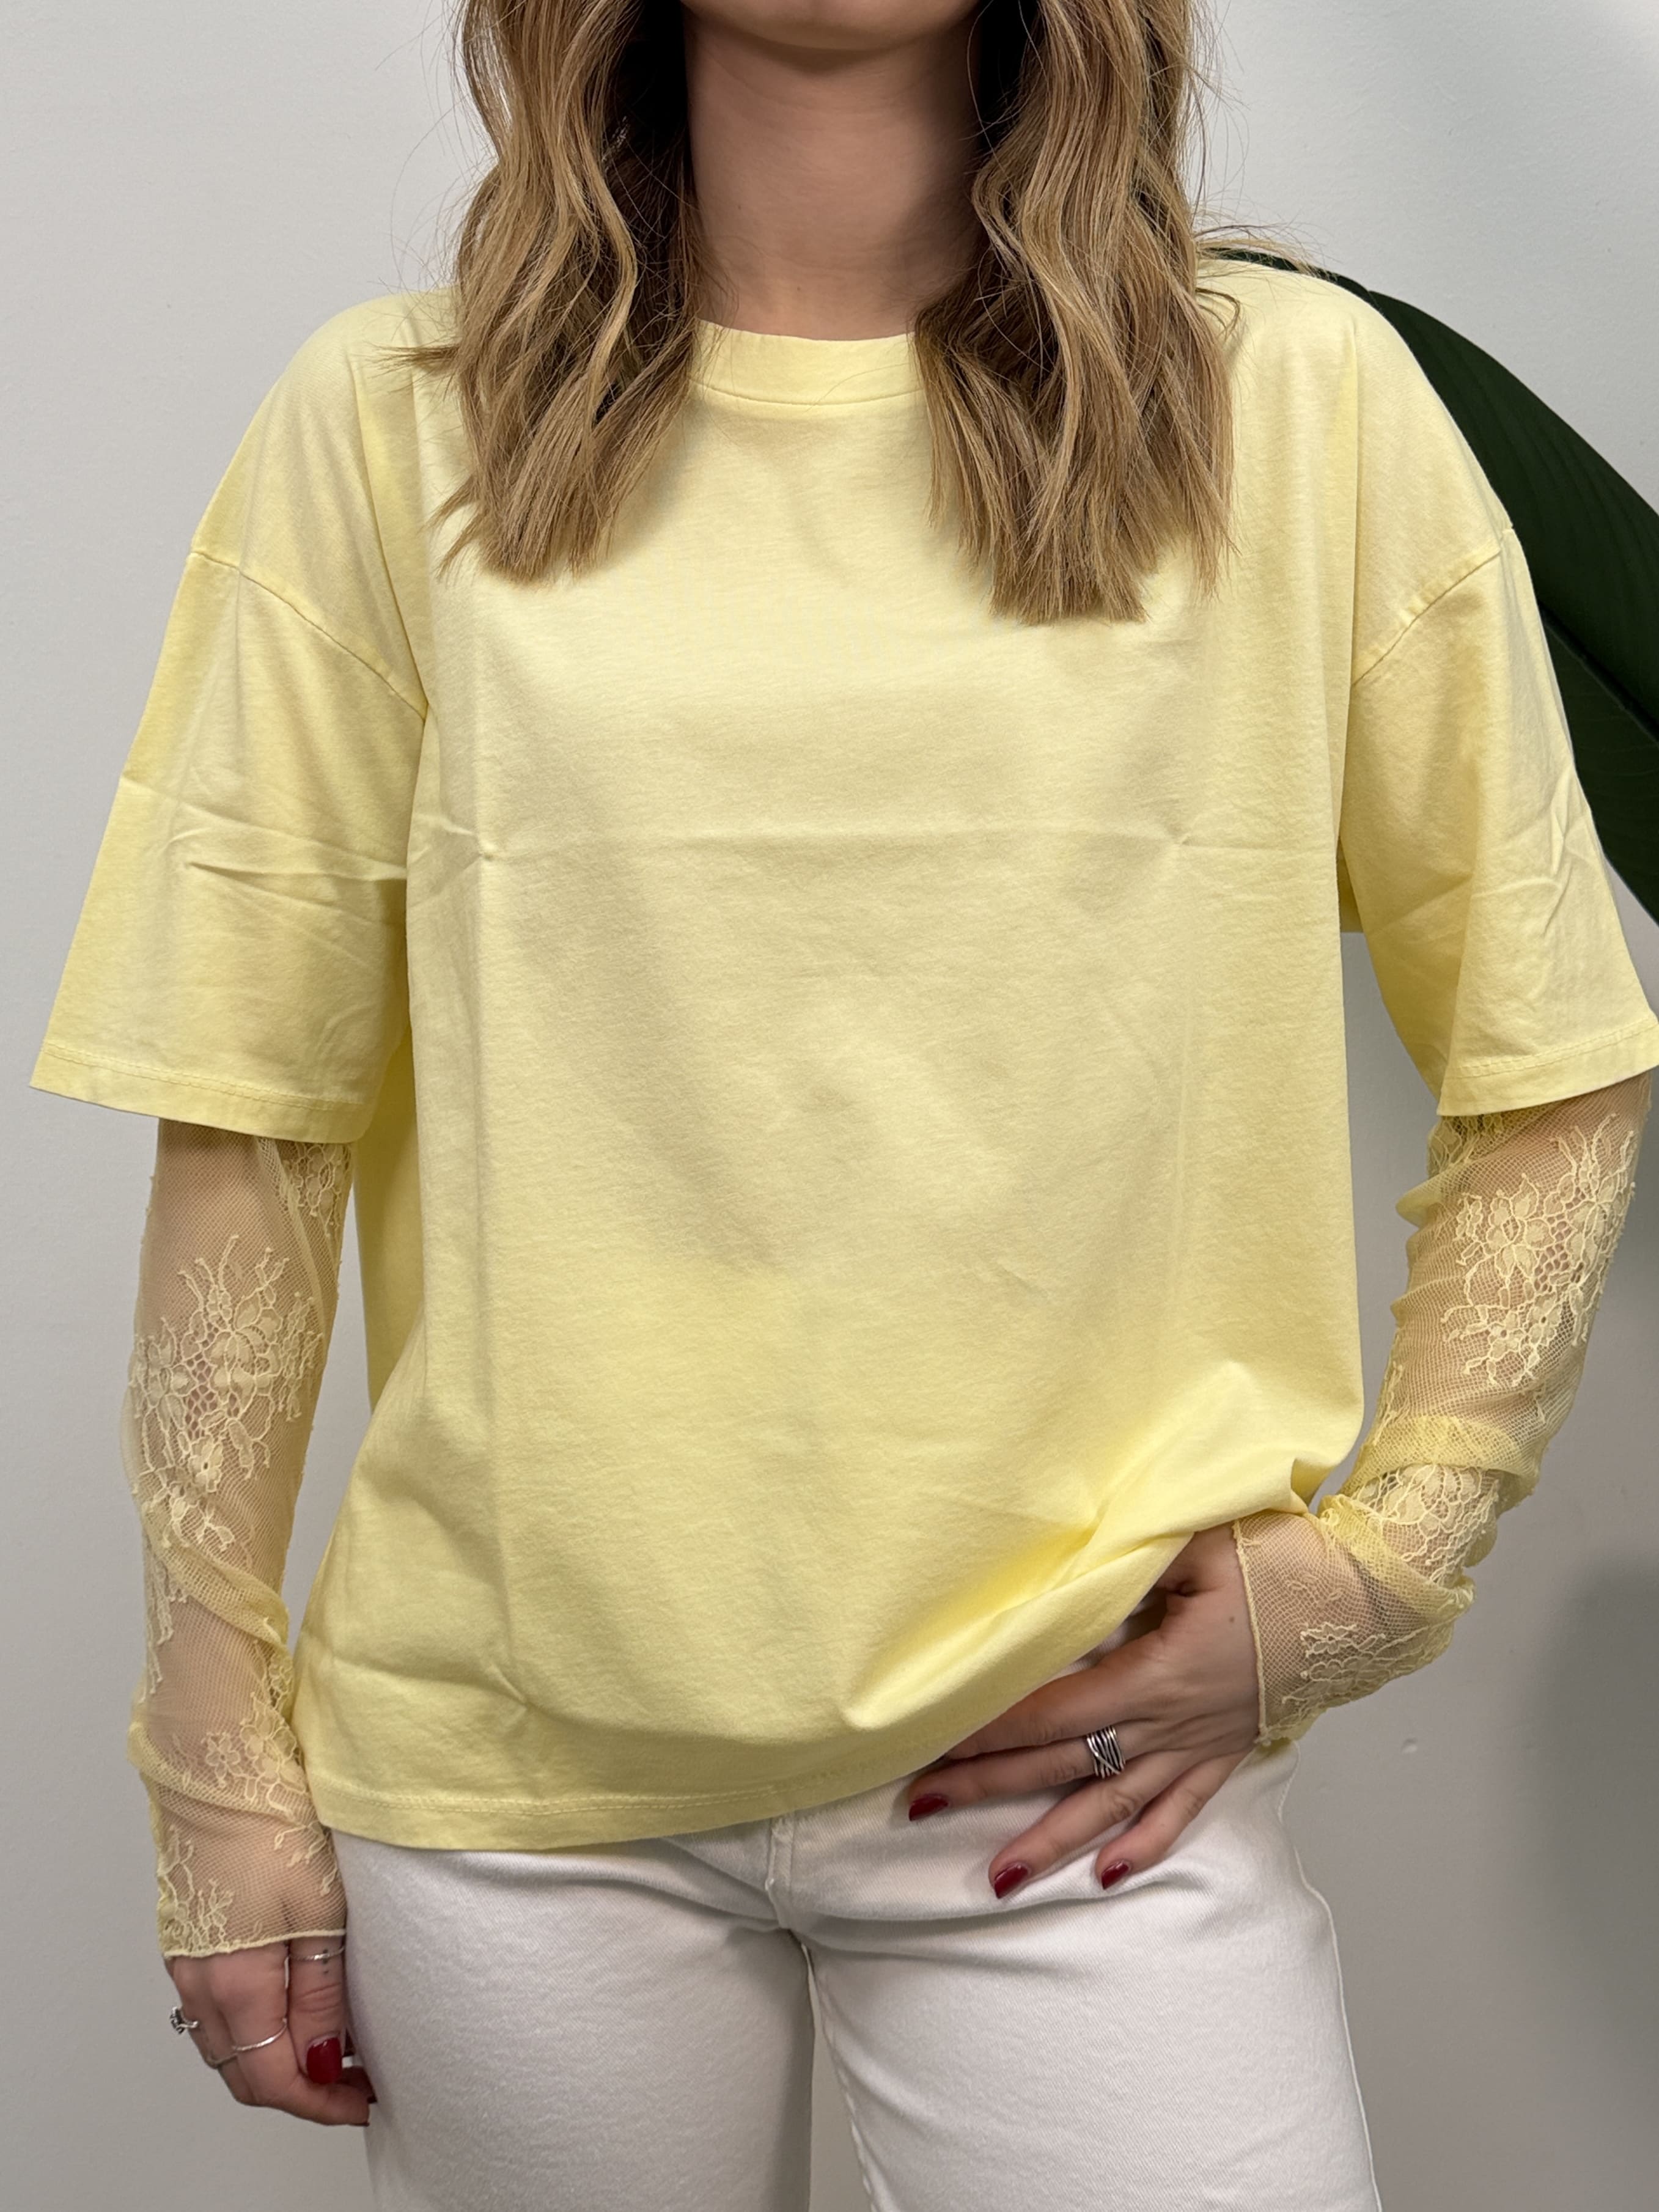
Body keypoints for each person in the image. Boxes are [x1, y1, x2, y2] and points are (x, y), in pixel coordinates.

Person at [32, 0, 1659, 2205]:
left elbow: (1550, 1052)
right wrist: (213, 1755)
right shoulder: (387, 418)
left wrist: (1384, 1565)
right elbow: (250, 1118)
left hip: (1080, 1759)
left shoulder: (1291, 403)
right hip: (510, 1781)